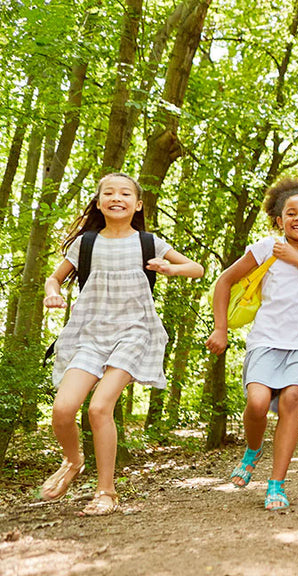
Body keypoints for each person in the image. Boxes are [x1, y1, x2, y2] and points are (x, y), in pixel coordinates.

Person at [41, 172, 204, 515]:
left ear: (138, 204)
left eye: (125, 193)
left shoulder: (149, 242)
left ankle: (106, 492)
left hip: (134, 331)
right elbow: (53, 278)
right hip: (90, 333)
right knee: (63, 410)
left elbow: (198, 269)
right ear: (99, 203)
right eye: (109, 193)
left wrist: (172, 269)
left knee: (100, 408)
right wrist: (53, 294)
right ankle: (72, 461)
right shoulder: (85, 243)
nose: (117, 198)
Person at [206, 177, 298, 511]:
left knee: (291, 399)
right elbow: (225, 281)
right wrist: (220, 329)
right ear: (279, 220)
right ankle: (253, 450)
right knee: (256, 402)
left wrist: (296, 259)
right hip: (265, 340)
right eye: (291, 213)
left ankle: (276, 485)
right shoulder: (266, 247)